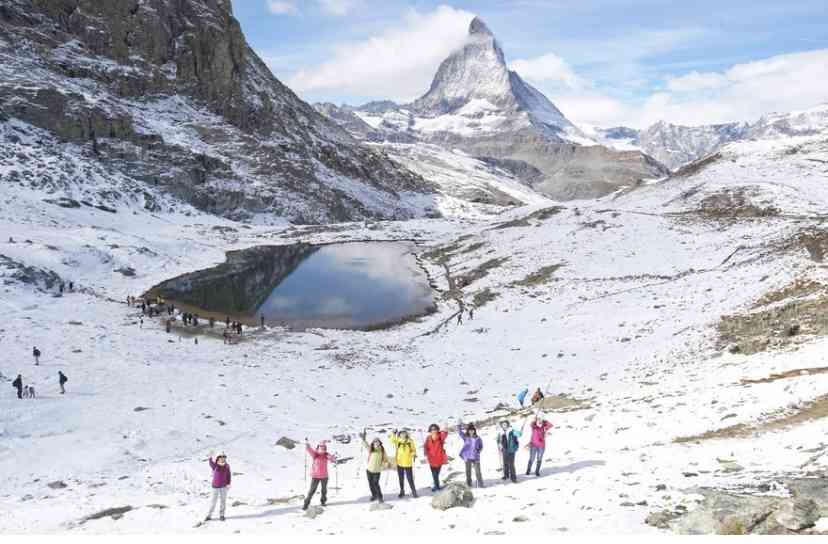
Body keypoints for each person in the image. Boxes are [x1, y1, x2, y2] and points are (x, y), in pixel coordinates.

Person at [303, 441, 336, 509]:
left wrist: (334, 458)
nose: (322, 448)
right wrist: (308, 446)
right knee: (312, 491)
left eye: (323, 447)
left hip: (324, 476)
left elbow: (331, 459)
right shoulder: (315, 454)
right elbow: (310, 450)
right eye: (321, 447)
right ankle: (306, 503)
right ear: (318, 447)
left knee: (324, 490)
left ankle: (323, 502)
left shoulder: (326, 454)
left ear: (325, 448)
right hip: (315, 476)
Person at [360, 430, 388, 503]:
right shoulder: (371, 449)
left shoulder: (382, 450)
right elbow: (365, 445)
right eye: (375, 442)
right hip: (369, 470)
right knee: (371, 484)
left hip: (377, 471)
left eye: (377, 441)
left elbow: (385, 459)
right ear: (373, 443)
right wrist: (363, 439)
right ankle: (374, 495)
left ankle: (380, 497)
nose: (376, 443)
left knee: (376, 484)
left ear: (379, 443)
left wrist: (385, 465)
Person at [389, 430, 418, 498]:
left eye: (404, 433)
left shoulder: (410, 441)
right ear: (399, 435)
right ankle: (402, 491)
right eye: (401, 434)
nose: (403, 435)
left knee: (410, 479)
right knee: (401, 478)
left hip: (408, 463)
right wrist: (393, 433)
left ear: (406, 434)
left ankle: (414, 491)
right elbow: (391, 440)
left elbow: (414, 450)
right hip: (399, 463)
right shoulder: (398, 440)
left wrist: (413, 454)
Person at [205, 453, 231, 522]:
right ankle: (209, 515)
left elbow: (228, 475)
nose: (222, 459)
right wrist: (210, 456)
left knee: (223, 501)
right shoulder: (215, 466)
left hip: (223, 487)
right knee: (213, 502)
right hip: (215, 487)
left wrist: (228, 484)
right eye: (221, 457)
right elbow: (210, 463)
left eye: (224, 457)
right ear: (218, 458)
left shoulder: (227, 466)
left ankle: (222, 515)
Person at [458, 422, 484, 488]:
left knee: (478, 471)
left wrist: (479, 450)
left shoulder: (478, 438)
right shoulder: (466, 437)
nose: (471, 431)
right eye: (470, 430)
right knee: (468, 471)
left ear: (474, 431)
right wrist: (459, 425)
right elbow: (460, 433)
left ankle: (480, 484)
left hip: (476, 457)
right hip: (468, 457)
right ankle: (469, 484)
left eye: (472, 430)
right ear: (468, 431)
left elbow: (481, 446)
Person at [423, 423, 448, 492]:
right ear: (430, 431)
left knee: (436, 474)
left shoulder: (440, 436)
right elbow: (425, 446)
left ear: (437, 430)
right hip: (431, 459)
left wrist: (445, 429)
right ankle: (437, 486)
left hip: (439, 458)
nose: (433, 431)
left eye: (435, 429)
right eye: (432, 429)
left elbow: (445, 434)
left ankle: (437, 487)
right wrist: (425, 452)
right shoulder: (428, 438)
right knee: (434, 474)